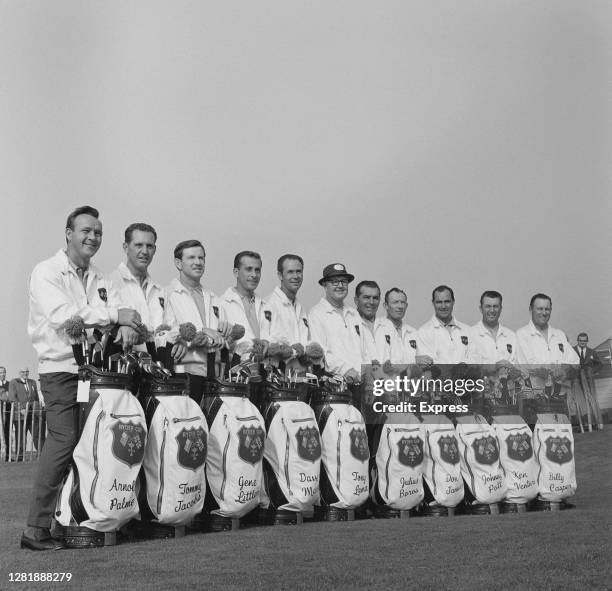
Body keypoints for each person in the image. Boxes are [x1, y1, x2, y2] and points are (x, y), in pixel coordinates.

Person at [22, 205, 142, 551]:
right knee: (63, 441)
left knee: (91, 445)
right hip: (59, 370)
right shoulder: (46, 271)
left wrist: (119, 321)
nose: (93, 237)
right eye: (86, 231)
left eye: (98, 233)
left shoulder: (100, 278)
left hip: (95, 373)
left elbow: (119, 315)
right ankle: (34, 528)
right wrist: (113, 315)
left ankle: (74, 518)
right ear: (68, 233)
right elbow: (63, 316)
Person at [163, 240, 229, 399]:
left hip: (213, 375)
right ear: (178, 263)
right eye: (191, 258)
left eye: (201, 258)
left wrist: (221, 334)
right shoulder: (167, 294)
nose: (198, 262)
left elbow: (224, 338)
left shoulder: (214, 298)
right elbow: (166, 334)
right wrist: (205, 332)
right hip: (183, 374)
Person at [110, 223, 165, 351]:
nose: (145, 251)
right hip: (121, 365)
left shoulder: (160, 291)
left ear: (155, 250)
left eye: (149, 246)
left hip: (157, 365)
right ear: (125, 247)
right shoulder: (109, 283)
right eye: (139, 245)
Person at [308, 263, 362, 385]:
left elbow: (364, 349)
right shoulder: (316, 314)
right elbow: (321, 352)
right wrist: (346, 370)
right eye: (334, 282)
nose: (340, 285)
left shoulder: (354, 313)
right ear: (325, 285)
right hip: (334, 383)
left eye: (344, 281)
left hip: (361, 382)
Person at [263, 254, 311, 371]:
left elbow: (306, 342)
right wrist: (291, 349)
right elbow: (265, 342)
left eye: (299, 271)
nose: (296, 276)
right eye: (290, 272)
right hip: (276, 372)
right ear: (280, 275)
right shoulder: (268, 304)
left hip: (300, 373)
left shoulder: (301, 308)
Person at [221, 251, 269, 360]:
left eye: (258, 270)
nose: (254, 275)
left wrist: (267, 342)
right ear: (236, 272)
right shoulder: (222, 304)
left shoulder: (266, 305)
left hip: (264, 369)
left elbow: (277, 336)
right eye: (249, 269)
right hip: (235, 369)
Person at [417, 285, 470, 366]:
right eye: (439, 302)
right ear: (433, 303)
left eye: (447, 301)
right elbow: (429, 366)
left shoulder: (467, 330)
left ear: (453, 302)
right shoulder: (424, 332)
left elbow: (475, 359)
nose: (443, 306)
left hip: (467, 378)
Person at [468, 291, 516, 365]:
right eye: (488, 306)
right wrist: (494, 368)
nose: (492, 310)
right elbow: (469, 367)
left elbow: (517, 365)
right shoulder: (470, 334)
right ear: (481, 309)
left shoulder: (511, 336)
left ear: (501, 309)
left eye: (495, 306)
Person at [374, 288, 419, 366]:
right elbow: (382, 363)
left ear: (406, 306)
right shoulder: (376, 328)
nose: (400, 306)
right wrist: (414, 360)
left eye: (402, 302)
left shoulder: (414, 332)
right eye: (395, 302)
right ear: (386, 306)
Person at [8, 368, 45, 458]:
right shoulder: (14, 382)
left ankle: (42, 454)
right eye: (23, 372)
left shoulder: (32, 382)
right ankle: (20, 456)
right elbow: (12, 398)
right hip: (20, 415)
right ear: (19, 373)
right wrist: (20, 409)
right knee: (20, 436)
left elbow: (36, 397)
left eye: (27, 372)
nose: (25, 373)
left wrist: (37, 408)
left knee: (37, 434)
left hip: (33, 413)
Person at [572, 332, 603, 430]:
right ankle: (583, 425)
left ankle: (596, 423)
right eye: (580, 340)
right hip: (576, 380)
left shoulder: (592, 352)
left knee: (592, 400)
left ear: (587, 341)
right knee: (580, 402)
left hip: (588, 381)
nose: (582, 342)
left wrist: (592, 372)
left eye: (584, 341)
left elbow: (600, 364)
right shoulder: (571, 351)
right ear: (577, 341)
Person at [0, 366, 11, 461]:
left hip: (8, 414)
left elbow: (9, 398)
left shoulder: (9, 384)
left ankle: (6, 456)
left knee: (7, 433)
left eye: (4, 372)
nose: (2, 374)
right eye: (0, 372)